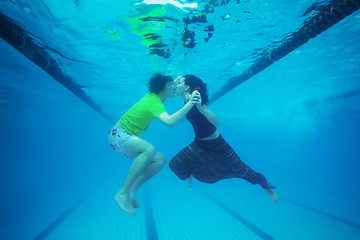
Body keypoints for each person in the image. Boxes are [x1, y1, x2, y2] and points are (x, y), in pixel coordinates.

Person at [169, 75, 278, 203]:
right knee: (175, 164)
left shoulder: (195, 98)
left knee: (243, 171)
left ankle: (266, 186)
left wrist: (200, 107)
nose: (176, 86)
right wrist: (178, 80)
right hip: (200, 143)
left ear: (187, 87)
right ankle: (190, 173)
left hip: (217, 144)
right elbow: (190, 83)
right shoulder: (187, 98)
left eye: (179, 84)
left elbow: (216, 121)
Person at [108, 73, 201, 215]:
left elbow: (163, 84)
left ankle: (132, 190)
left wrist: (171, 80)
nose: (174, 87)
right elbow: (169, 122)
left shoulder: (153, 97)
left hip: (122, 136)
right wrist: (190, 103)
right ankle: (123, 193)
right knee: (149, 149)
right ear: (161, 87)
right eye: (171, 85)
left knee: (160, 160)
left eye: (174, 85)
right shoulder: (154, 101)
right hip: (118, 135)